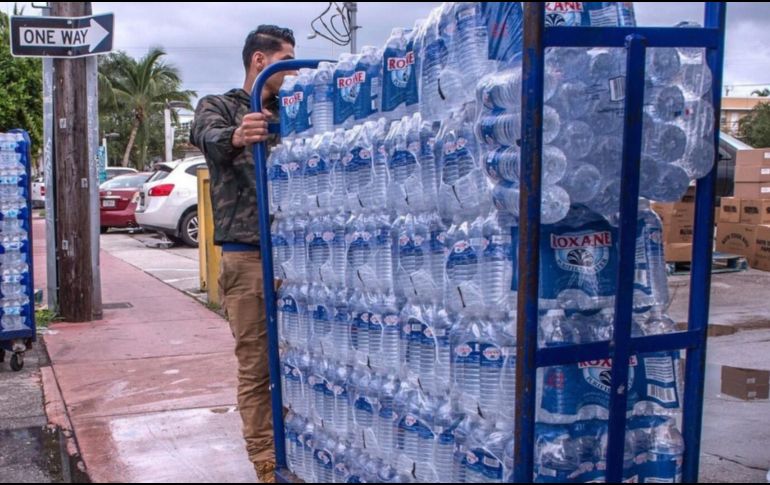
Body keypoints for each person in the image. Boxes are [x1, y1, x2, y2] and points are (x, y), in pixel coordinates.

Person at [190, 24, 295, 483]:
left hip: (297, 258)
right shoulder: (220, 106)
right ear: (260, 60)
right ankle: (266, 462)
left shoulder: (294, 109)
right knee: (256, 366)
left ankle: (300, 448)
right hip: (248, 256)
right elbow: (207, 136)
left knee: (301, 360)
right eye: (286, 61)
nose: (292, 71)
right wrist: (237, 135)